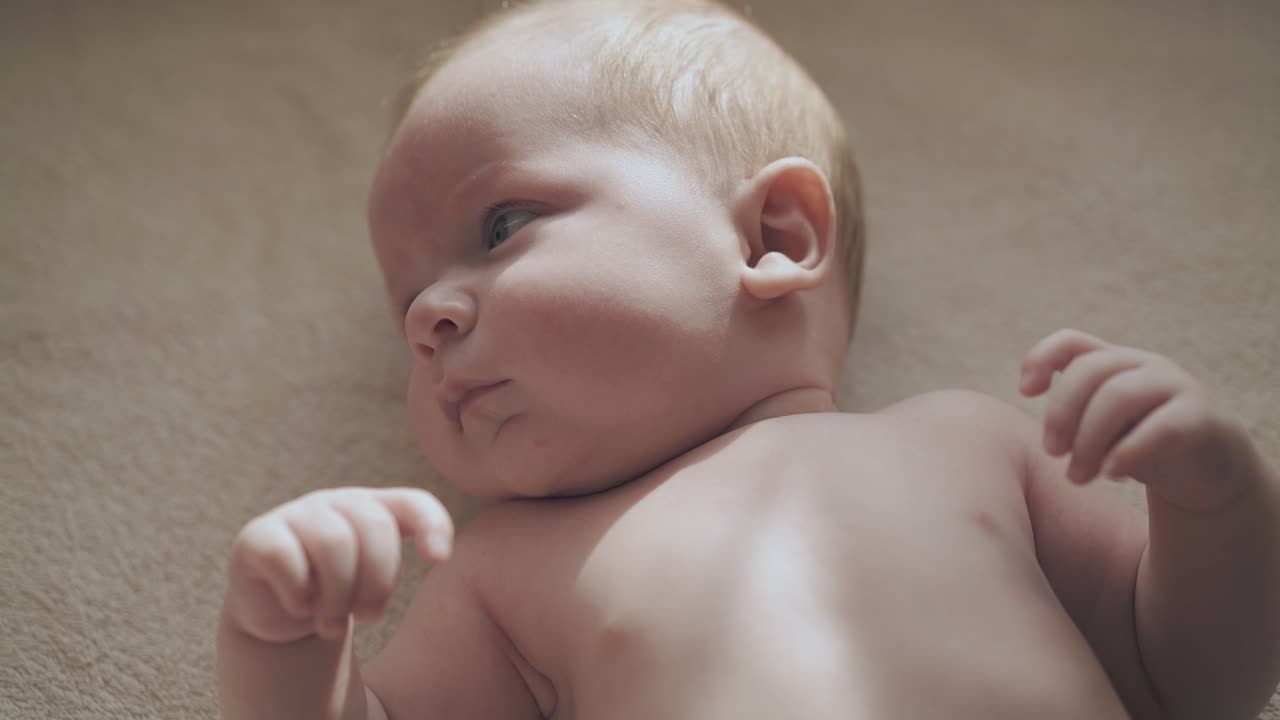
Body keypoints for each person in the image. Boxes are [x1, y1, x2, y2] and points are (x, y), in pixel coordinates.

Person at [215, 1, 1280, 718]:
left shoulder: (965, 442)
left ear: (771, 240)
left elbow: (1194, 681)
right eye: (406, 299)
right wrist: (288, 649)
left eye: (498, 228)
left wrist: (1212, 500)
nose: (426, 320)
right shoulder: (505, 572)